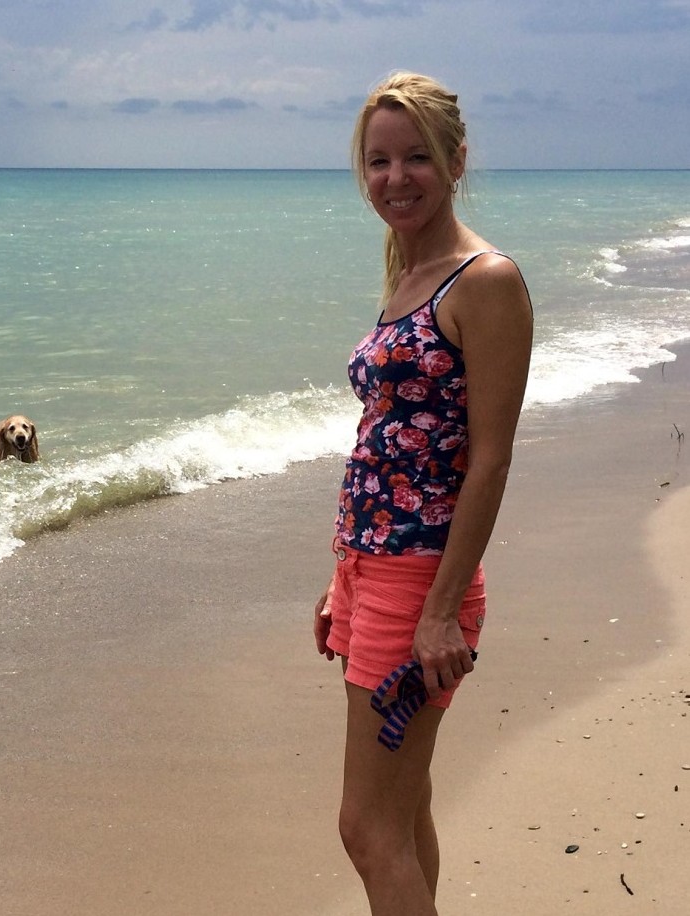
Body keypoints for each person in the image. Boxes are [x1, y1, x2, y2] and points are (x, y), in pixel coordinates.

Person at [313, 71, 533, 915]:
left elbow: (489, 461)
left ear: (455, 161)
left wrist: (440, 610)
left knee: (366, 830)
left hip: (419, 584)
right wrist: (340, 576)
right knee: (405, 811)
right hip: (371, 570)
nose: (394, 178)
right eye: (377, 161)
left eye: (415, 158)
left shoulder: (484, 281)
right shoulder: (405, 275)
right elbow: (383, 443)